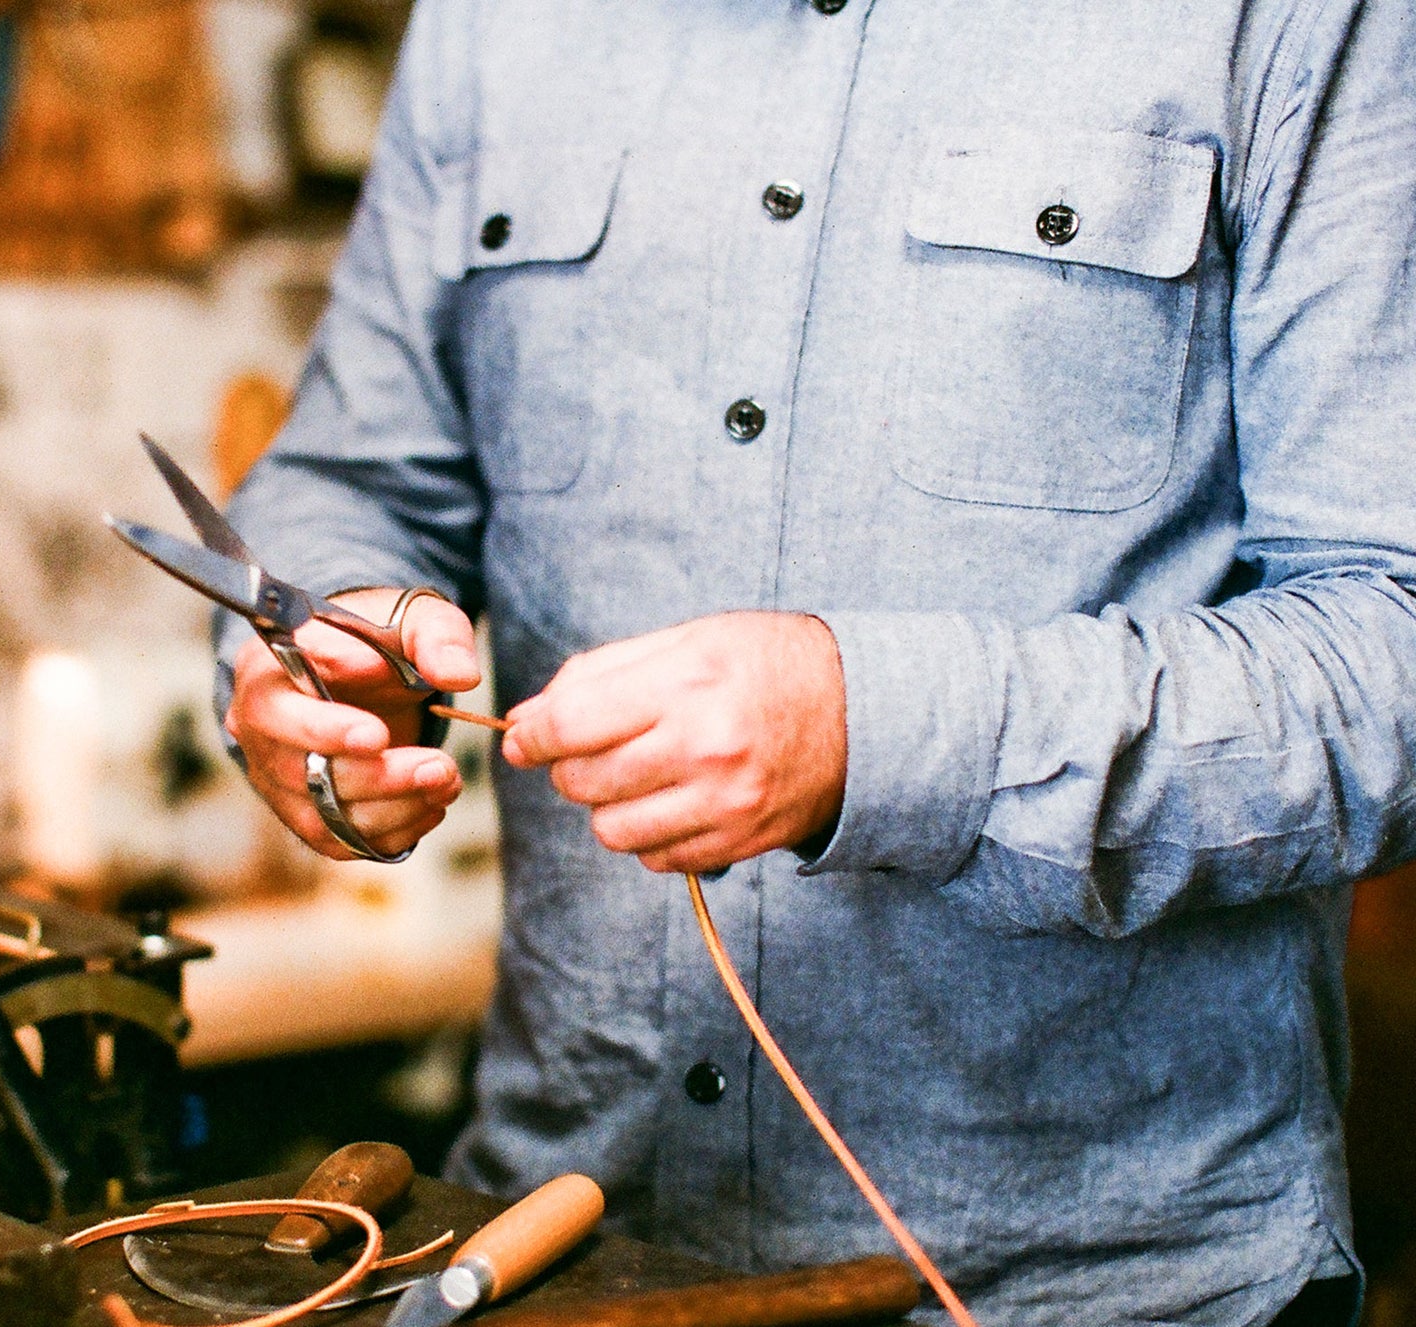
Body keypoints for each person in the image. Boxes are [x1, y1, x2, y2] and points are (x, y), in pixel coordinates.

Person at [212, 1, 1416, 1322]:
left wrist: (884, 737)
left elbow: (1391, 645)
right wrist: (311, 651)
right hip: (557, 1257)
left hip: (1092, 1289)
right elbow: (350, 472)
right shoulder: (496, 25)